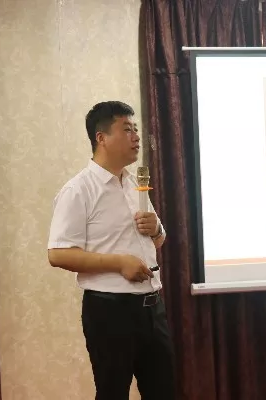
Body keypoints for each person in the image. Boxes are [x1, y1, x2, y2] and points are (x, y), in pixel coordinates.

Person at [47, 101, 176, 400]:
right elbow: (58, 254)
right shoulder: (79, 190)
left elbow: (156, 241)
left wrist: (156, 230)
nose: (137, 137)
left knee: (164, 392)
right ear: (101, 137)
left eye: (136, 129)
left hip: (152, 308)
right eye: (127, 129)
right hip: (110, 311)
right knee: (113, 393)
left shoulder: (134, 183)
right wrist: (118, 263)